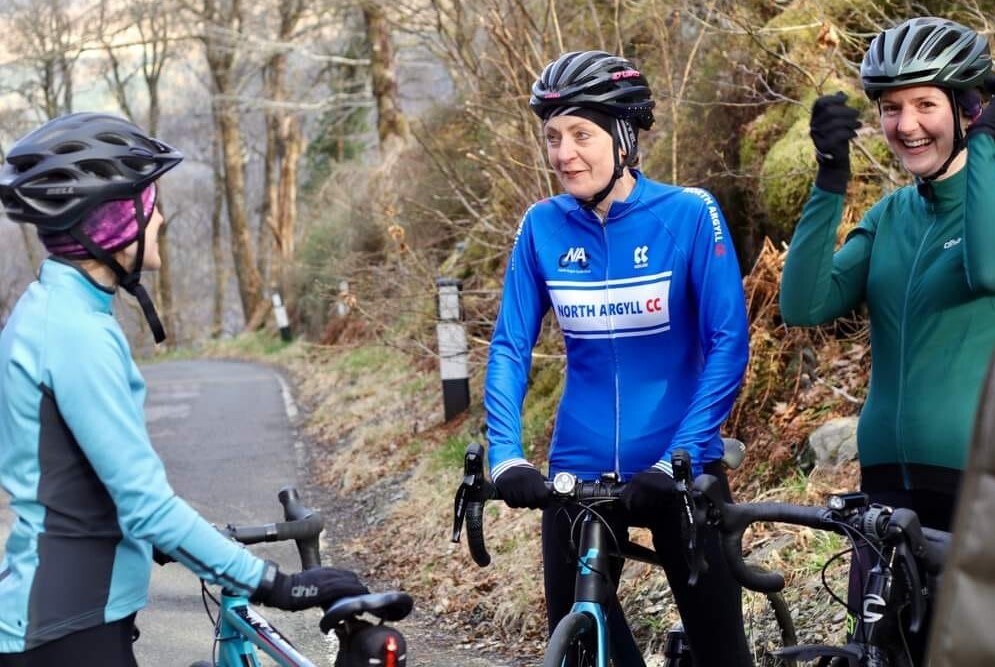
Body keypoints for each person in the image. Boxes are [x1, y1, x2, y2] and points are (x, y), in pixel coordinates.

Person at [0, 113, 368, 666]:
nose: (161, 217)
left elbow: (80, 480)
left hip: (66, 615)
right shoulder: (74, 333)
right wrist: (278, 585)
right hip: (68, 628)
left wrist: (180, 541)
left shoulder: (56, 311)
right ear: (109, 220)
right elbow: (143, 504)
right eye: (148, 203)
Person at [484, 50, 752, 665]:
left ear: (624, 136)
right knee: (583, 647)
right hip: (576, 472)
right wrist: (505, 457)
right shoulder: (540, 226)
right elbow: (508, 346)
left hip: (680, 468)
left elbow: (727, 344)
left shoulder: (687, 213)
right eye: (552, 137)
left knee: (722, 653)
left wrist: (678, 458)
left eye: (581, 134)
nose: (563, 153)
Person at [780, 16, 995, 662]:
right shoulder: (890, 214)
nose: (905, 125)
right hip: (883, 490)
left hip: (972, 488)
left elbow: (985, 267)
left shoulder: (986, 203)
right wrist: (827, 178)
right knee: (877, 653)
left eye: (925, 104)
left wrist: (985, 143)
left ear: (966, 108)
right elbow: (804, 301)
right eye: (891, 107)